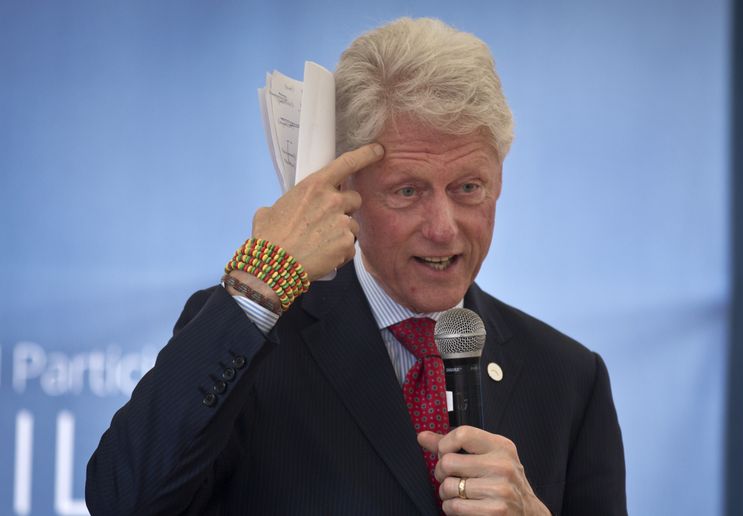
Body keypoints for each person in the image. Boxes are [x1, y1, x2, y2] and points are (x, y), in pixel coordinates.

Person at [86, 17, 626, 515]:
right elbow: (123, 499)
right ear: (344, 191)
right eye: (408, 191)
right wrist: (261, 283)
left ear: (500, 181)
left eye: (468, 187)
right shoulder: (252, 333)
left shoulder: (570, 378)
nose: (443, 227)